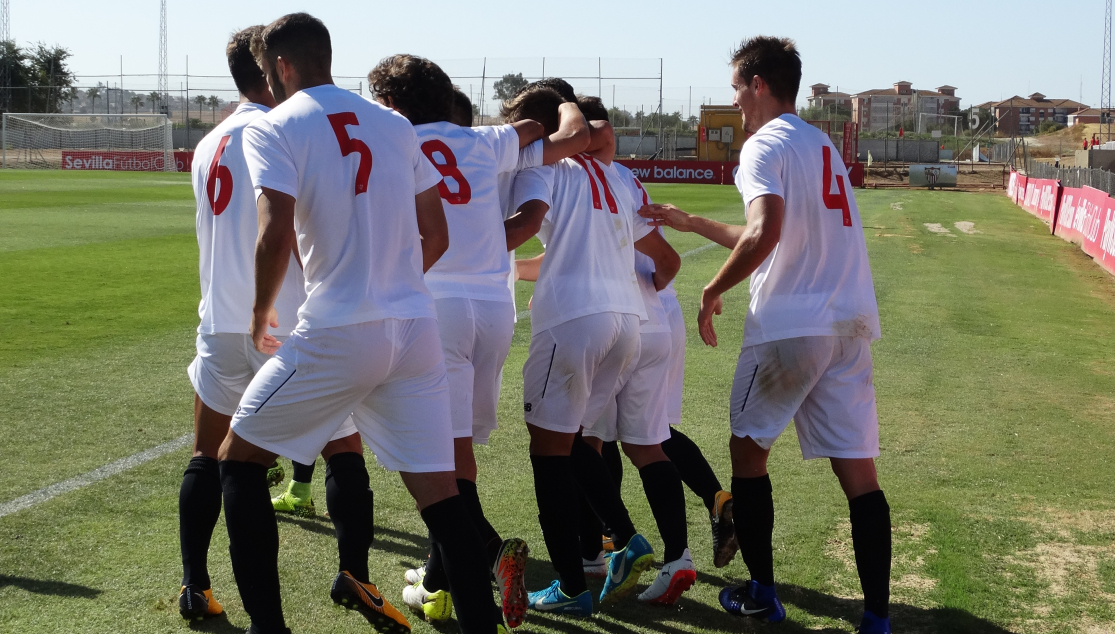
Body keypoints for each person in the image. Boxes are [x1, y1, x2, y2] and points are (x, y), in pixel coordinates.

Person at [217, 13, 500, 634]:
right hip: (414, 329)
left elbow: (274, 229)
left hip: (341, 328)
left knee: (237, 460)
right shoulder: (395, 123)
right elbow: (438, 233)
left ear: (281, 67)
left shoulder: (274, 125)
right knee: (444, 500)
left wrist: (262, 313)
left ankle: (270, 628)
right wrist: (392, 283)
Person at [640, 36, 892, 633]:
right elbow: (770, 231)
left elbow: (766, 232)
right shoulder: (822, 144)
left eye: (735, 87)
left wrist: (711, 290)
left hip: (787, 325)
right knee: (860, 476)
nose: (733, 99)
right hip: (848, 325)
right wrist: (690, 222)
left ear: (757, 84)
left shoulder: (762, 144)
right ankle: (878, 619)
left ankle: (762, 592)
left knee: (748, 455)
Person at [368, 53, 590, 628]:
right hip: (494, 307)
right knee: (456, 453)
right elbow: (543, 133)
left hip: (435, 304)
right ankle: (440, 577)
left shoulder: (393, 142)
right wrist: (549, 107)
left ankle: (488, 555)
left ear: (392, 105)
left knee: (433, 462)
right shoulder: (484, 142)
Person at [177, 25, 361, 621]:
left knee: (211, 455)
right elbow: (286, 229)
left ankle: (197, 587)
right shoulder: (283, 130)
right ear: (273, 69)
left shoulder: (208, 144)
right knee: (343, 449)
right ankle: (355, 579)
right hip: (286, 321)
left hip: (219, 323)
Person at [503, 84, 680, 616]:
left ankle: (571, 586)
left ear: (541, 128)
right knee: (573, 438)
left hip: (573, 320)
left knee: (547, 452)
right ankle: (625, 538)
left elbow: (529, 225)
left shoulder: (542, 164)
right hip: (626, 319)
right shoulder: (613, 175)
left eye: (522, 127)